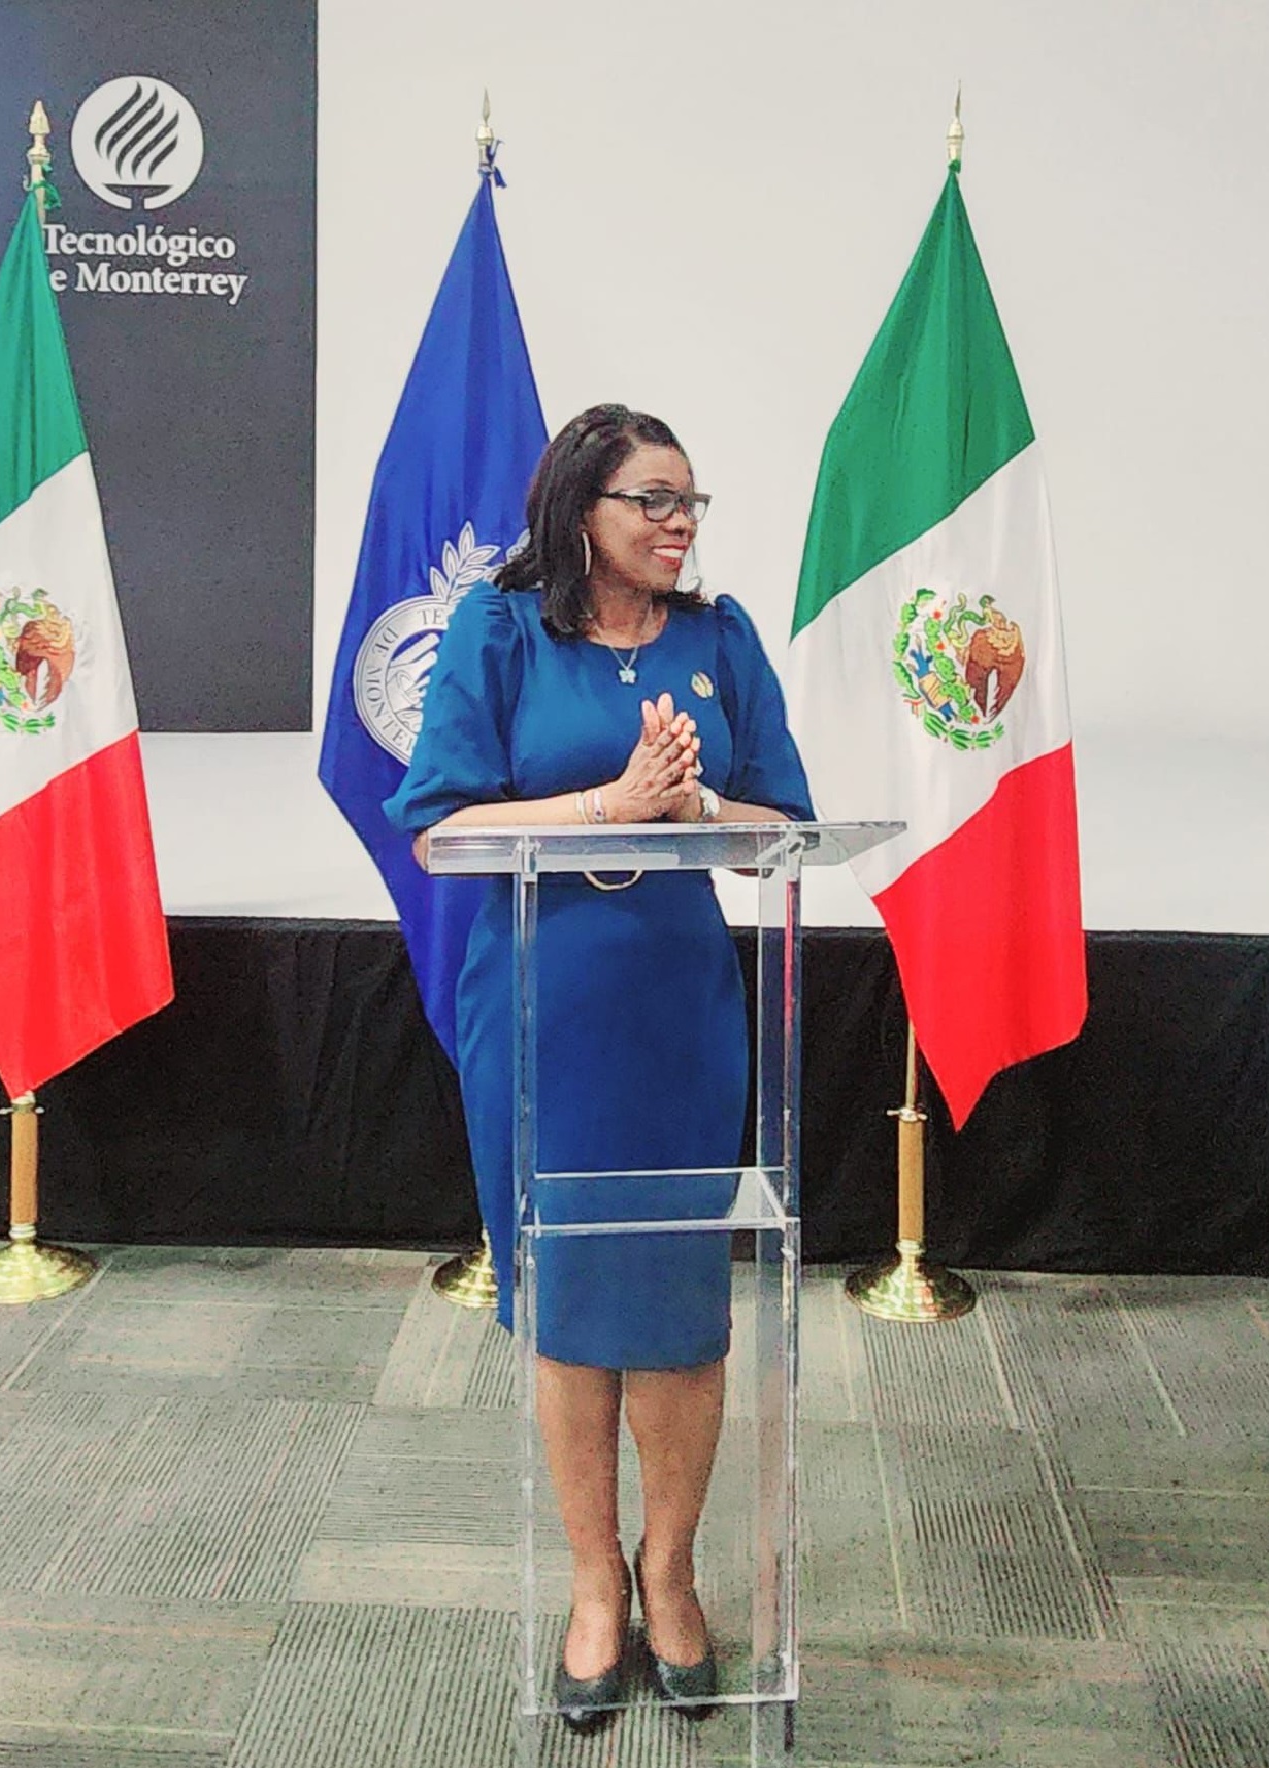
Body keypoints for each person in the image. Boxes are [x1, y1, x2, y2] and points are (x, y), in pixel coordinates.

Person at [386, 403, 813, 1732]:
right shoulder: (501, 632)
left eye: (692, 502)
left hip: (678, 1015)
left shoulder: (720, 640)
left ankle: (671, 1575)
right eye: (654, 500)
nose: (681, 523)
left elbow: (786, 824)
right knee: (571, 1302)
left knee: (682, 1304)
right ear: (584, 513)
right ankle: (592, 1589)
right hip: (540, 1012)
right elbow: (438, 827)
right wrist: (604, 808)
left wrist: (699, 809)